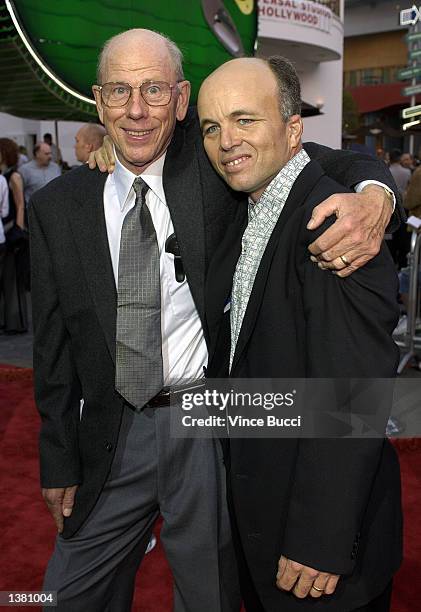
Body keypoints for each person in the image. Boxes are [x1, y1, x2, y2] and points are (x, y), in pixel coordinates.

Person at [30, 28, 401, 612]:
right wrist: (57, 457)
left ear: (179, 102)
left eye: (153, 90)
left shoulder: (212, 169)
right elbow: (51, 350)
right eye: (120, 92)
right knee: (59, 593)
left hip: (207, 417)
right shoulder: (58, 206)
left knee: (211, 592)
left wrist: (377, 192)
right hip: (112, 429)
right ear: (98, 102)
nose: (135, 109)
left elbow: (307, 154)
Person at [199, 56, 402, 612]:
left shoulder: (337, 223)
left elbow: (353, 397)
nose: (226, 141)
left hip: (317, 551)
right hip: (261, 515)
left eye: (245, 120)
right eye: (212, 127)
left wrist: (320, 540)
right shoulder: (247, 204)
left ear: (293, 131)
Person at [0, 138, 28, 334]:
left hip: (12, 232)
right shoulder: (4, 176)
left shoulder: (13, 176)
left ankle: (15, 321)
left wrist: (18, 231)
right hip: (7, 229)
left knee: (12, 280)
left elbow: (20, 205)